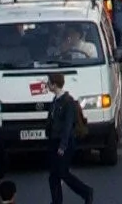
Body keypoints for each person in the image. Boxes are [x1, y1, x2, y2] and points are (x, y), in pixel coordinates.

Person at [41, 72, 92, 204]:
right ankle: (57, 201)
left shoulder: (67, 102)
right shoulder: (55, 100)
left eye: (49, 82)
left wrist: (63, 146)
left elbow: (68, 125)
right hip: (54, 140)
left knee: (62, 173)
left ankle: (86, 192)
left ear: (54, 84)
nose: (47, 85)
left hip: (65, 142)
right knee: (53, 176)